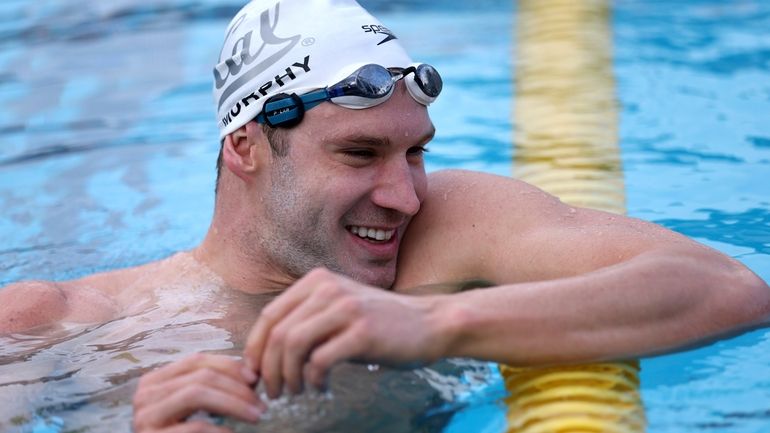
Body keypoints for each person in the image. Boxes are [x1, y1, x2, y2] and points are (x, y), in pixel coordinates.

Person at [1, 0, 768, 430]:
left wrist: (436, 327)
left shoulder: (446, 235)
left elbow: (728, 286)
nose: (404, 194)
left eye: (416, 152)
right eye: (360, 153)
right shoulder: (56, 325)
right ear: (245, 145)